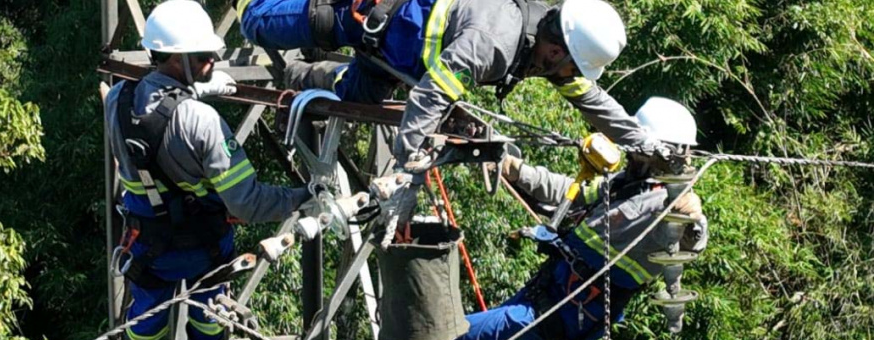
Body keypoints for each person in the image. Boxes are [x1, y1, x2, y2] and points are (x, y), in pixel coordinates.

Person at [105, 0, 313, 340]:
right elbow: (248, 203)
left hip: (146, 244)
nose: (214, 61)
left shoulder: (117, 98)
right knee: (209, 315)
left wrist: (197, 89)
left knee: (146, 315)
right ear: (178, 58)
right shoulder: (202, 122)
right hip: (201, 246)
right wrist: (304, 196)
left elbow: (157, 112)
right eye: (203, 56)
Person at [442, 97, 708, 340]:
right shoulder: (626, 184)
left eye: (636, 144)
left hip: (571, 311)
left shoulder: (668, 204)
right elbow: (571, 192)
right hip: (549, 290)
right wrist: (515, 170)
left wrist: (693, 223)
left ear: (662, 151)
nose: (629, 149)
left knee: (453, 337)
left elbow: (692, 244)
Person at [236, 0, 661, 168]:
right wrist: (408, 156)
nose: (572, 79)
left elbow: (593, 101)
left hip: (393, 58)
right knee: (256, 23)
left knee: (352, 97)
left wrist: (645, 143)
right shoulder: (493, 45)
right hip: (368, 18)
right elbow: (432, 94)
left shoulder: (544, 48)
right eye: (573, 68)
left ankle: (300, 74)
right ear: (556, 52)